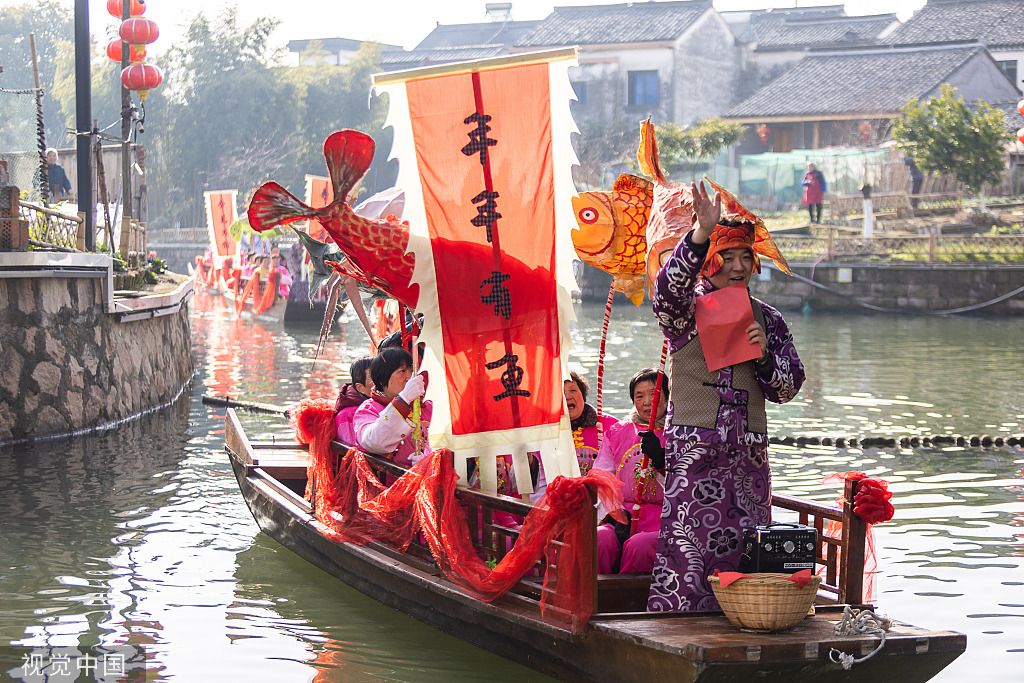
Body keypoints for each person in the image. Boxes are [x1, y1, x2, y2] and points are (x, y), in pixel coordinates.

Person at [647, 180, 804, 612]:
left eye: (744, 258)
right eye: (727, 257)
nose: (737, 267)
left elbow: (787, 389)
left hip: (748, 452)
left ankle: (747, 613)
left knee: (747, 537)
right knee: (690, 539)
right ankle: (680, 619)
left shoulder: (769, 319)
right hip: (697, 446)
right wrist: (700, 233)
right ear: (709, 263)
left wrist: (766, 356)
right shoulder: (685, 310)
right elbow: (665, 291)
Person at [592, 368, 668, 575]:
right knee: (599, 538)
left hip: (663, 517)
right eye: (639, 395)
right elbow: (602, 476)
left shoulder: (679, 433)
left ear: (667, 396)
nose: (647, 401)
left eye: (654, 394)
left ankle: (628, 597)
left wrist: (662, 461)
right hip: (622, 513)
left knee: (639, 546)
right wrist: (613, 511)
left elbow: (687, 483)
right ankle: (597, 596)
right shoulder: (618, 432)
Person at [529, 371, 618, 501]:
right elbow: (538, 483)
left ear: (583, 395)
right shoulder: (541, 432)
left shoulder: (612, 427)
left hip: (599, 504)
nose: (568, 397)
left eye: (573, 390)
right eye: (561, 392)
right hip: (556, 503)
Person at [353, 347, 432, 468]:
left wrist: (428, 456)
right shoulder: (368, 409)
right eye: (402, 371)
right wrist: (403, 399)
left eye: (411, 371)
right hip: (390, 483)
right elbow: (374, 442)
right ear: (382, 378)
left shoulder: (427, 406)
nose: (409, 377)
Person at [334, 356, 374, 446]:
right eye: (374, 377)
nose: (382, 381)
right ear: (360, 387)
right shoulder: (347, 415)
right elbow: (353, 455)